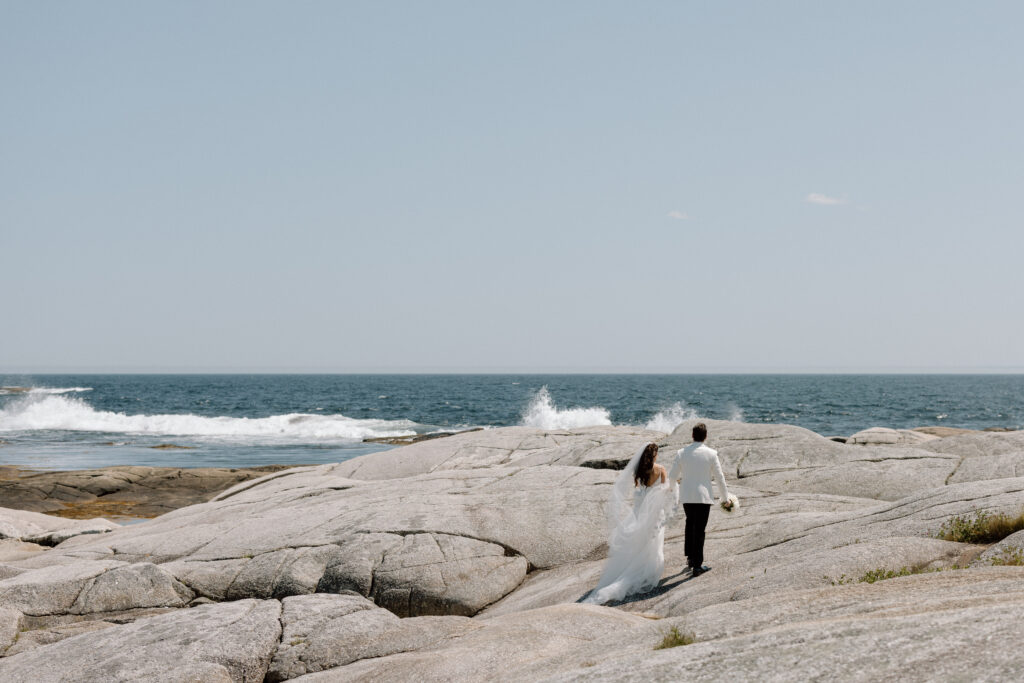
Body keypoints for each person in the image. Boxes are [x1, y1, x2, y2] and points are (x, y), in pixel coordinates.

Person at [583, 442, 676, 604]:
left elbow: (638, 488)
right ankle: (649, 569)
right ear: (655, 455)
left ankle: (636, 564)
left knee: (642, 538)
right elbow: (665, 489)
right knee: (653, 541)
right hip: (655, 512)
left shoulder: (638, 470)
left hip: (641, 510)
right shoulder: (661, 469)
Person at [669, 422, 732, 576]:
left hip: (687, 496)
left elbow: (672, 477)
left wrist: (672, 491)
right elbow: (719, 477)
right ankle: (697, 565)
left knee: (690, 523)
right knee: (700, 530)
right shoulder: (711, 454)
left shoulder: (681, 453)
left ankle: (690, 558)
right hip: (703, 497)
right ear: (705, 437)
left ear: (692, 436)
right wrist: (725, 498)